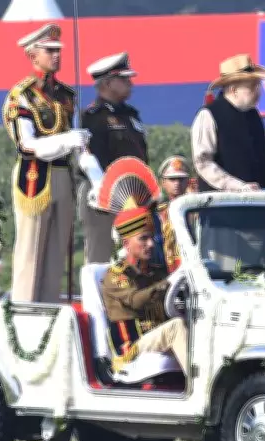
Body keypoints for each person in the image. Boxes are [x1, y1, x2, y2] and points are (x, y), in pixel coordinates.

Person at [2, 23, 90, 303]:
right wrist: (67, 140)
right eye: (49, 50)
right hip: (35, 177)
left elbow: (79, 144)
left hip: (64, 176)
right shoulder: (22, 95)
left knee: (56, 253)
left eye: (58, 50)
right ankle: (23, 309)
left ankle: (49, 308)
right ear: (32, 55)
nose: (56, 56)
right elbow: (28, 144)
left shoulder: (66, 95)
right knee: (30, 251)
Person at [101, 204, 189, 378]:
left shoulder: (155, 272)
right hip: (131, 347)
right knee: (176, 327)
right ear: (126, 244)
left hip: (155, 337)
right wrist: (167, 283)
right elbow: (136, 300)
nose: (150, 244)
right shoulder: (116, 276)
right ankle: (203, 390)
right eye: (143, 239)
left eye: (152, 238)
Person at [79, 52, 147, 264]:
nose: (130, 83)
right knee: (101, 255)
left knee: (133, 255)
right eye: (124, 79)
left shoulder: (131, 114)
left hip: (133, 195)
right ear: (108, 83)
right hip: (102, 197)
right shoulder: (92, 117)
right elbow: (90, 158)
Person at [191, 54, 265, 192]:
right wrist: (237, 186)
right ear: (233, 90)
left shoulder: (255, 116)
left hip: (261, 204)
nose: (258, 92)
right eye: (252, 87)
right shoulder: (208, 115)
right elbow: (203, 162)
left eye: (258, 86)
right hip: (223, 206)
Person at [155, 155, 192, 273]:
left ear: (188, 181)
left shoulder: (195, 211)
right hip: (164, 268)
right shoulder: (158, 214)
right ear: (163, 183)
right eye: (172, 179)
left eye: (181, 179)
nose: (177, 183)